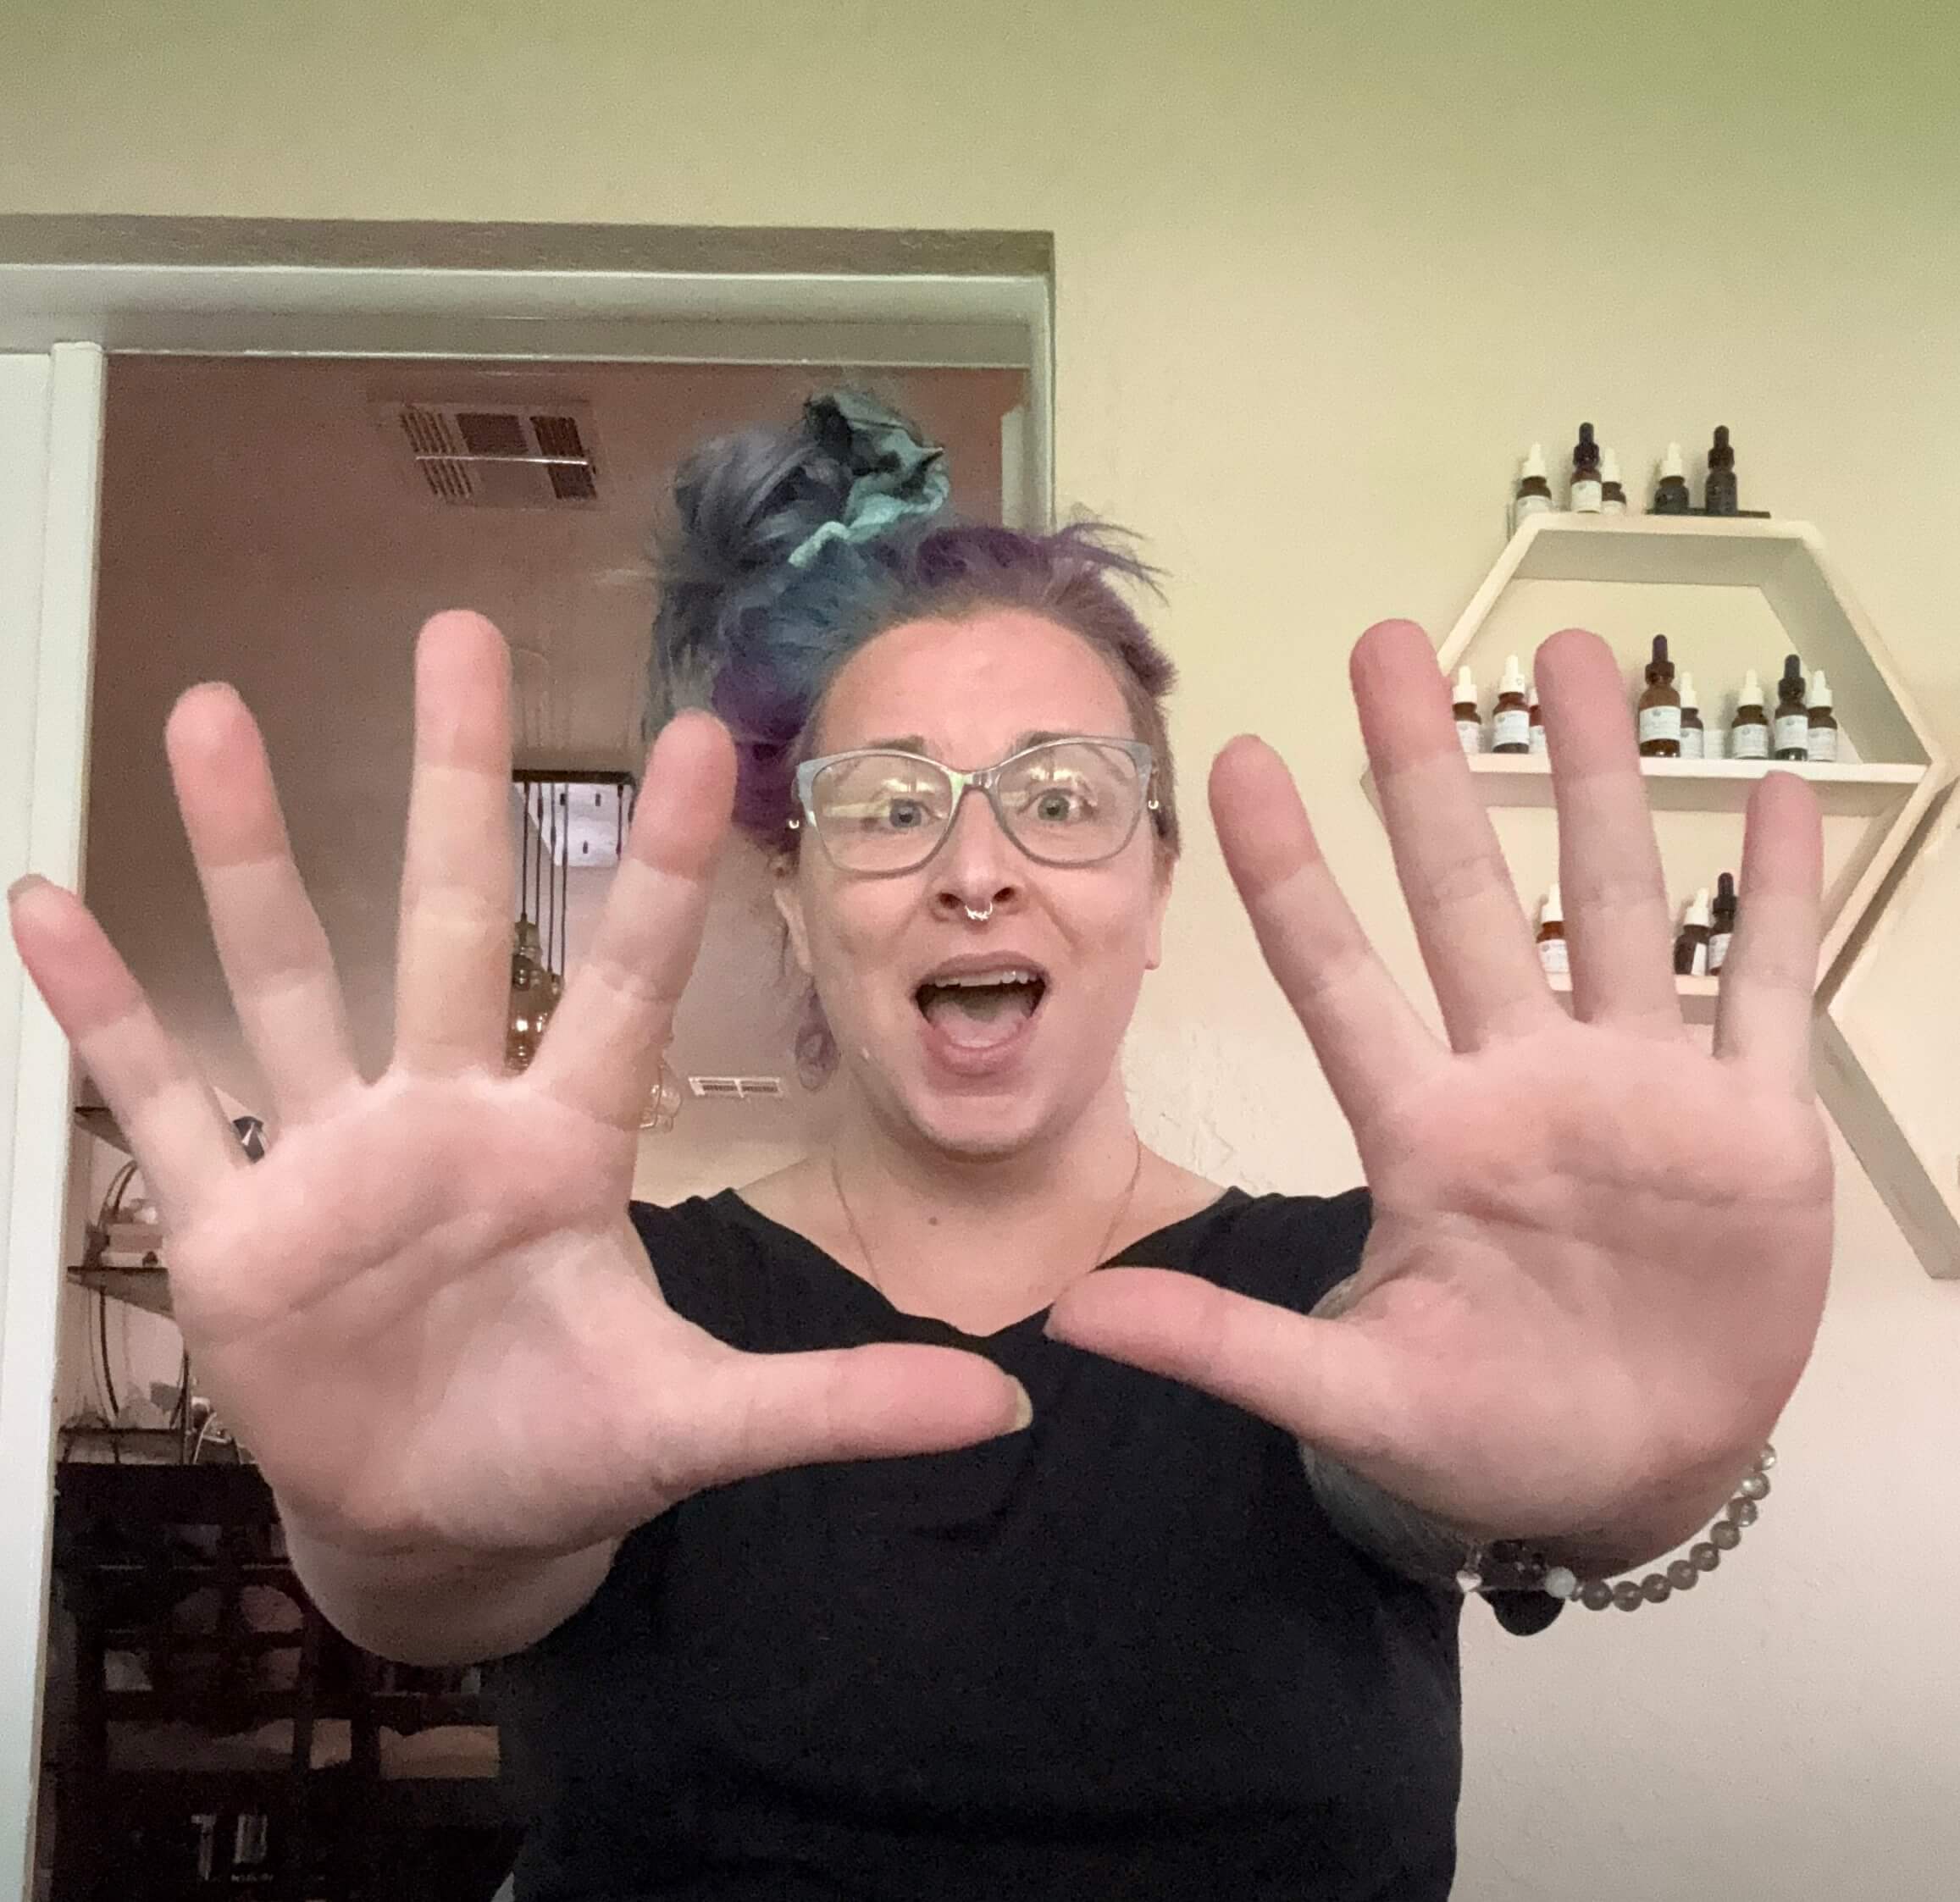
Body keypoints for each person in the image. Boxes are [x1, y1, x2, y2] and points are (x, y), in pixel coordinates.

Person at [6, 391, 1832, 1899]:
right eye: (886, 808)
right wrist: (363, 1527)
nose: (977, 865)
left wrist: (1642, 1485)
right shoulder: (600, 1313)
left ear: (1151, 880)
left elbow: (1444, 1480)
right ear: (789, 896)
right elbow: (456, 1553)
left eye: (1059, 796)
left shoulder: (1383, 1298)